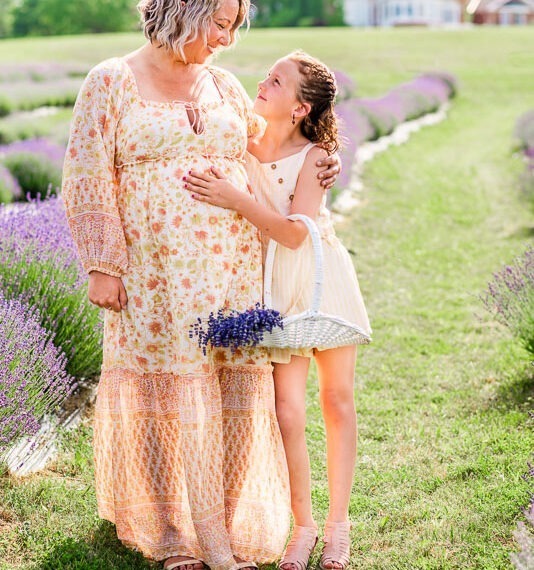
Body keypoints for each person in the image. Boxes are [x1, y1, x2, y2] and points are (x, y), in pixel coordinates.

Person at [61, 1, 340, 568]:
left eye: (235, 24)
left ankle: (226, 524)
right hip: (157, 279)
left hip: (232, 271)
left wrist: (320, 158)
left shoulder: (225, 86)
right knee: (165, 397)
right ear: (181, 10)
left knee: (235, 391)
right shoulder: (111, 81)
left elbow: (268, 155)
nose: (227, 36)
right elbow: (87, 174)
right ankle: (176, 537)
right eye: (219, 21)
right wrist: (102, 263)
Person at [184, 50, 372, 570]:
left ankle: (338, 528)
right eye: (266, 76)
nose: (262, 84)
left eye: (277, 81)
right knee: (287, 413)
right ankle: (303, 527)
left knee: (336, 402)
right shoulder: (242, 143)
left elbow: (294, 233)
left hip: (318, 280)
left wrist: (235, 199)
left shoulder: (315, 157)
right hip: (273, 291)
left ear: (300, 109)